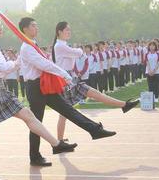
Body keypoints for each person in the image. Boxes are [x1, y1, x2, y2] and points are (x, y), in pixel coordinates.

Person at [0, 16, 75, 180]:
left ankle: (56, 144)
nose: (1, 28)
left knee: (28, 115)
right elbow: (3, 68)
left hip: (0, 88)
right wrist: (20, 60)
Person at [17, 17, 116, 167]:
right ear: (25, 29)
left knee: (67, 109)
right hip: (35, 87)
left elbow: (45, 63)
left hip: (44, 85)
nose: (37, 28)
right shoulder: (26, 47)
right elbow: (44, 64)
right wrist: (64, 73)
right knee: (36, 122)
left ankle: (94, 130)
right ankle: (35, 156)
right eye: (33, 26)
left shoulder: (33, 44)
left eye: (37, 25)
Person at [51, 21, 138, 142]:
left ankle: (59, 140)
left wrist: (78, 52)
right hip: (66, 81)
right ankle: (124, 105)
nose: (69, 32)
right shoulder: (60, 46)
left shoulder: (62, 45)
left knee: (65, 113)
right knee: (92, 94)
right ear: (59, 32)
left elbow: (76, 55)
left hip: (68, 79)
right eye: (67, 30)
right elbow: (78, 53)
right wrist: (79, 51)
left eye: (70, 30)